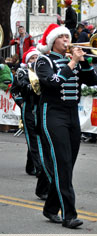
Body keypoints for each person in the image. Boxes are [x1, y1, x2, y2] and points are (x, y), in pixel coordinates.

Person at [35, 23, 97, 228]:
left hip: (72, 115)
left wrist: (84, 60)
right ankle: (69, 215)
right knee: (62, 163)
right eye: (61, 37)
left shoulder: (74, 60)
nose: (66, 40)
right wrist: (71, 63)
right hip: (52, 114)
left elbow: (93, 82)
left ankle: (51, 208)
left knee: (67, 165)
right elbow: (52, 82)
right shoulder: (43, 60)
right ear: (52, 41)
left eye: (67, 36)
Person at [11, 46, 51, 199]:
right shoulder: (23, 72)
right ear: (27, 60)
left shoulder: (41, 70)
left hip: (40, 106)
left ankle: (31, 166)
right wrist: (20, 102)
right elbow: (17, 88)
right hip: (29, 107)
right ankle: (39, 168)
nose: (35, 60)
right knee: (33, 138)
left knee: (38, 137)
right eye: (32, 58)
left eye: (36, 58)